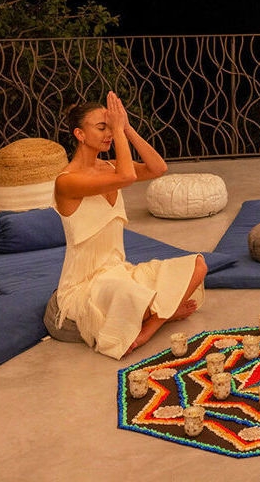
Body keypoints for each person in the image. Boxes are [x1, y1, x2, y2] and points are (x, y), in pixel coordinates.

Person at [53, 91, 207, 358]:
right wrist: (119, 131)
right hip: (85, 286)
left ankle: (152, 324)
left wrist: (126, 128)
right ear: (79, 134)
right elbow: (126, 176)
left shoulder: (109, 166)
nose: (109, 133)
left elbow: (158, 168)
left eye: (110, 127)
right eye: (102, 127)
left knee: (198, 265)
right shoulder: (67, 181)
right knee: (138, 297)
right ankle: (163, 312)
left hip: (121, 272)